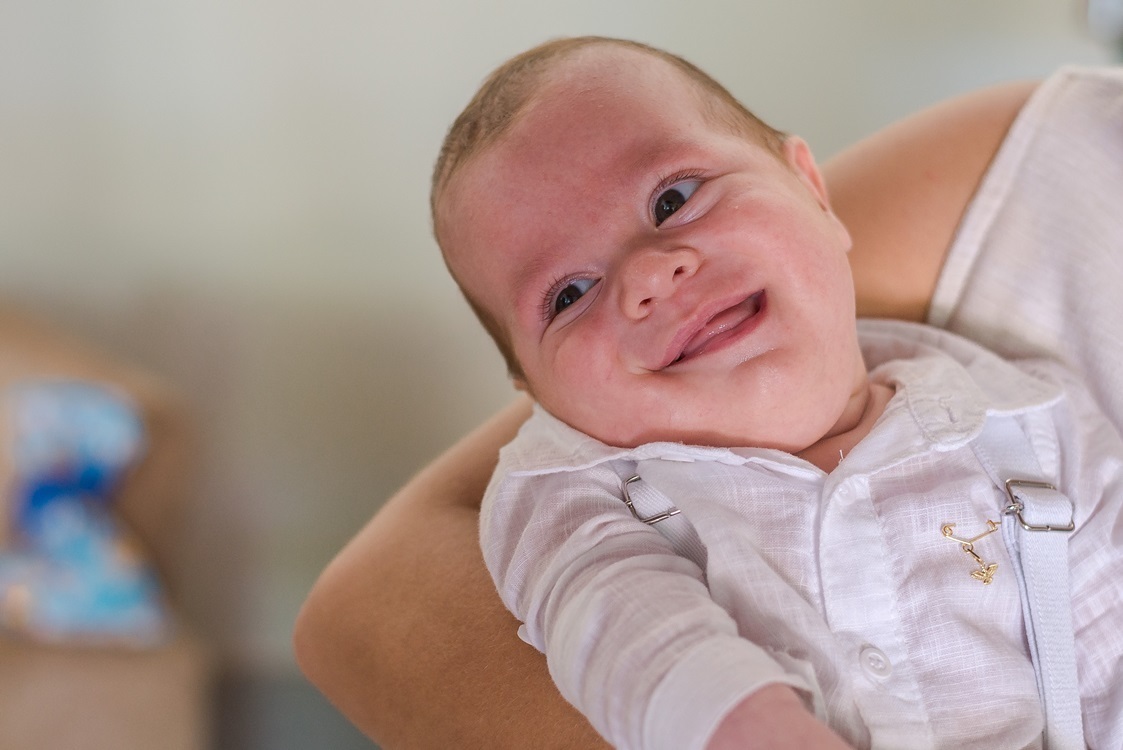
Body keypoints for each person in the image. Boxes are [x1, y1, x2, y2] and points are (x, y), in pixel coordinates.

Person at [293, 42, 1123, 750]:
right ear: (535, 389)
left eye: (673, 199)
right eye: (569, 294)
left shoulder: (1027, 426)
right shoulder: (579, 494)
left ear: (812, 189)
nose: (650, 275)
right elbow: (628, 635)